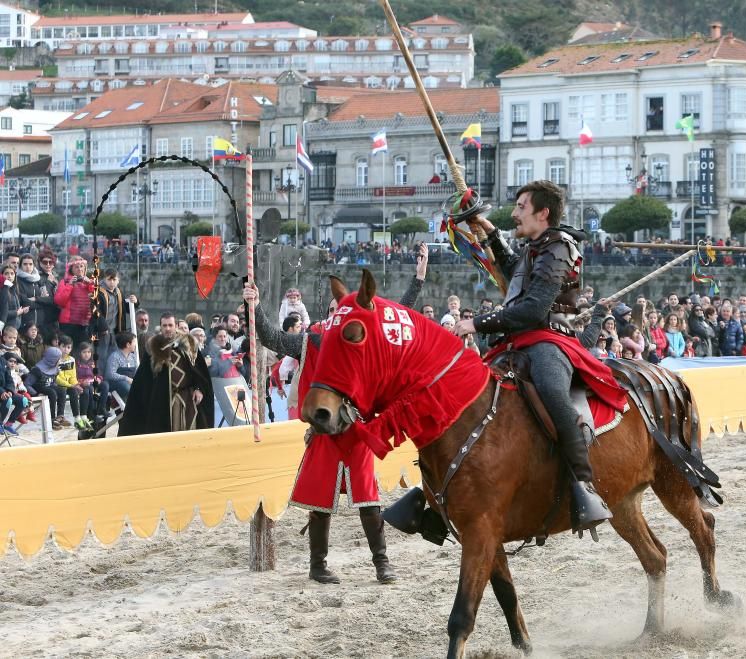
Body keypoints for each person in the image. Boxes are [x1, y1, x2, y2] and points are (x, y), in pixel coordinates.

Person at [239, 244, 428, 585]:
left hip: (356, 431)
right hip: (325, 432)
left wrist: (418, 279)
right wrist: (252, 306)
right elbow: (269, 336)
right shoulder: (312, 341)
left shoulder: (366, 339)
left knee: (368, 501)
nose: (338, 315)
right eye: (333, 310)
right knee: (320, 502)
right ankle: (317, 566)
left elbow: (398, 312)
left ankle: (382, 564)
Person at [456, 180, 627, 534]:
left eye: (521, 207)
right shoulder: (536, 248)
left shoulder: (559, 248)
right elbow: (512, 271)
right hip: (517, 340)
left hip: (549, 339)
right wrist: (486, 231)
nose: (514, 214)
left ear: (542, 213)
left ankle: (583, 485)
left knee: (552, 390)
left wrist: (475, 322)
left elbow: (534, 309)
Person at [118, 318, 213, 435]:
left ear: (176, 326)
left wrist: (199, 389)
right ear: (160, 327)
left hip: (187, 397)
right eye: (164, 325)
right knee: (166, 433)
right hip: (163, 400)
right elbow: (143, 379)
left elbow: (200, 372)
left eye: (170, 325)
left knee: (189, 432)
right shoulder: (154, 347)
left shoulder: (190, 345)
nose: (167, 328)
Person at [93, 268, 139, 371]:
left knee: (113, 355)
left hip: (114, 331)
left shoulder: (118, 292)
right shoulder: (98, 292)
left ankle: (112, 376)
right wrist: (103, 327)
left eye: (114, 280)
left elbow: (125, 309)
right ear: (104, 279)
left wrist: (134, 302)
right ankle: (100, 378)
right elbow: (96, 311)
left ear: (118, 281)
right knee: (101, 356)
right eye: (109, 279)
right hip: (102, 331)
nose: (112, 282)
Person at [54, 256, 96, 345]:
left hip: (85, 323)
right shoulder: (64, 281)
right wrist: (70, 285)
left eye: (81, 266)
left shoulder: (90, 282)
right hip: (68, 323)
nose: (79, 269)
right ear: (71, 269)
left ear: (85, 268)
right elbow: (59, 301)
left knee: (84, 351)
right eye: (76, 267)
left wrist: (90, 285)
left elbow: (97, 301)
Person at [25, 345, 70, 429]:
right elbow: (27, 384)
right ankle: (52, 419)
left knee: (62, 390)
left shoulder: (54, 368)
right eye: (58, 359)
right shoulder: (37, 370)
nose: (60, 360)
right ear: (53, 360)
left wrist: (57, 388)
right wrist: (35, 394)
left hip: (49, 387)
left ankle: (60, 416)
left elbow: (52, 382)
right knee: (51, 393)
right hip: (39, 389)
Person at [0, 264, 31, 331]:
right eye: (6, 273)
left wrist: (22, 311)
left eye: (12, 273)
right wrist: (17, 312)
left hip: (14, 330)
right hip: (6, 330)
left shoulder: (13, 290)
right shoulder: (2, 290)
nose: (9, 276)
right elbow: (3, 313)